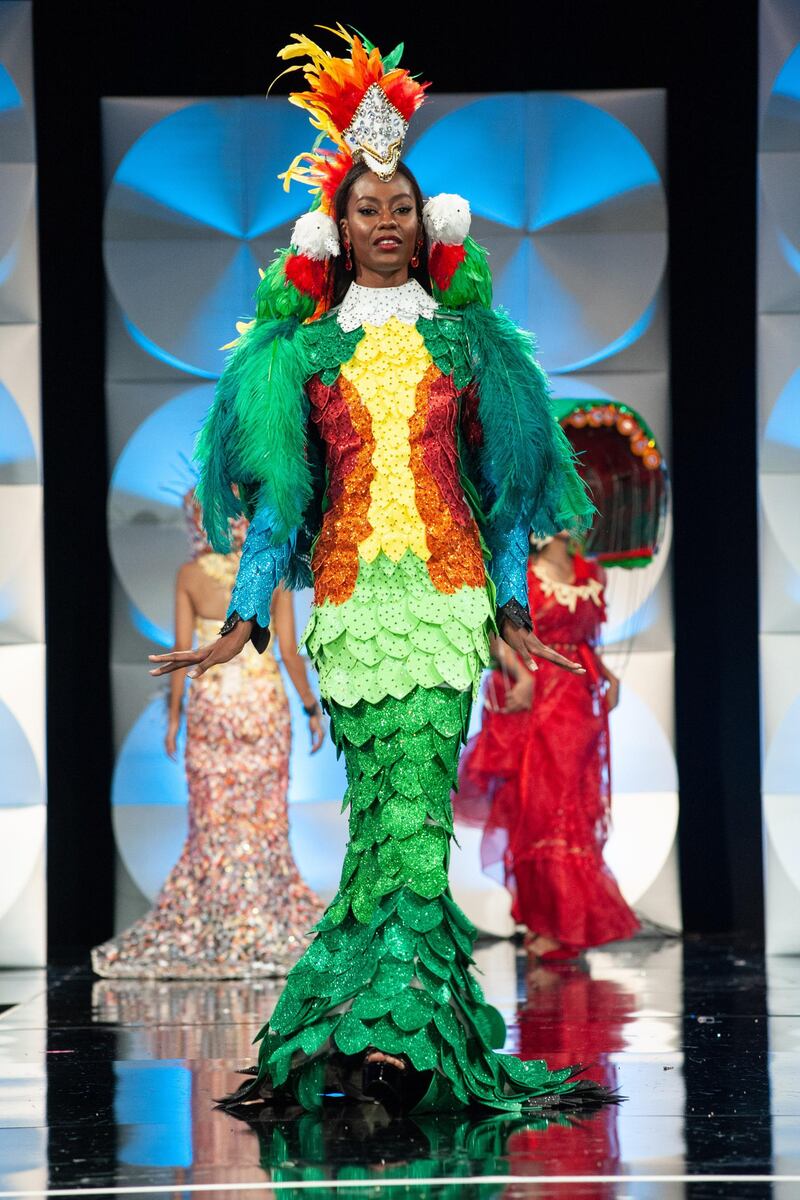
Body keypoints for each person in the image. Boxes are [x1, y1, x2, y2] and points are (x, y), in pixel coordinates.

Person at [149, 25, 608, 1113]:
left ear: (426, 222)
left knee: (415, 814)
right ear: (338, 227)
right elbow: (279, 509)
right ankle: (371, 1027)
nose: (388, 222)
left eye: (403, 206)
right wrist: (247, 617)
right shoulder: (302, 358)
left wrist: (503, 605)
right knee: (377, 820)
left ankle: (386, 1036)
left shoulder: (466, 344)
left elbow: (502, 500)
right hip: (354, 613)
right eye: (368, 209)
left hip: (444, 606)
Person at [92, 491, 325, 979]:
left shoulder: (190, 576)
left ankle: (221, 919)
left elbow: (182, 652)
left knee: (214, 817)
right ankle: (263, 916)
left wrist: (174, 714)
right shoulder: (268, 572)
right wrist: (310, 706)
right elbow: (287, 650)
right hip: (262, 707)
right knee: (262, 819)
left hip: (213, 707)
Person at [454, 530, 640, 960]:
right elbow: (492, 633)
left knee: (573, 810)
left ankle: (567, 921)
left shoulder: (591, 574)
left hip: (579, 704)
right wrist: (520, 676)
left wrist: (608, 676)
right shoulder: (522, 575)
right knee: (538, 810)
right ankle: (544, 919)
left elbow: (586, 642)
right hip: (536, 700)